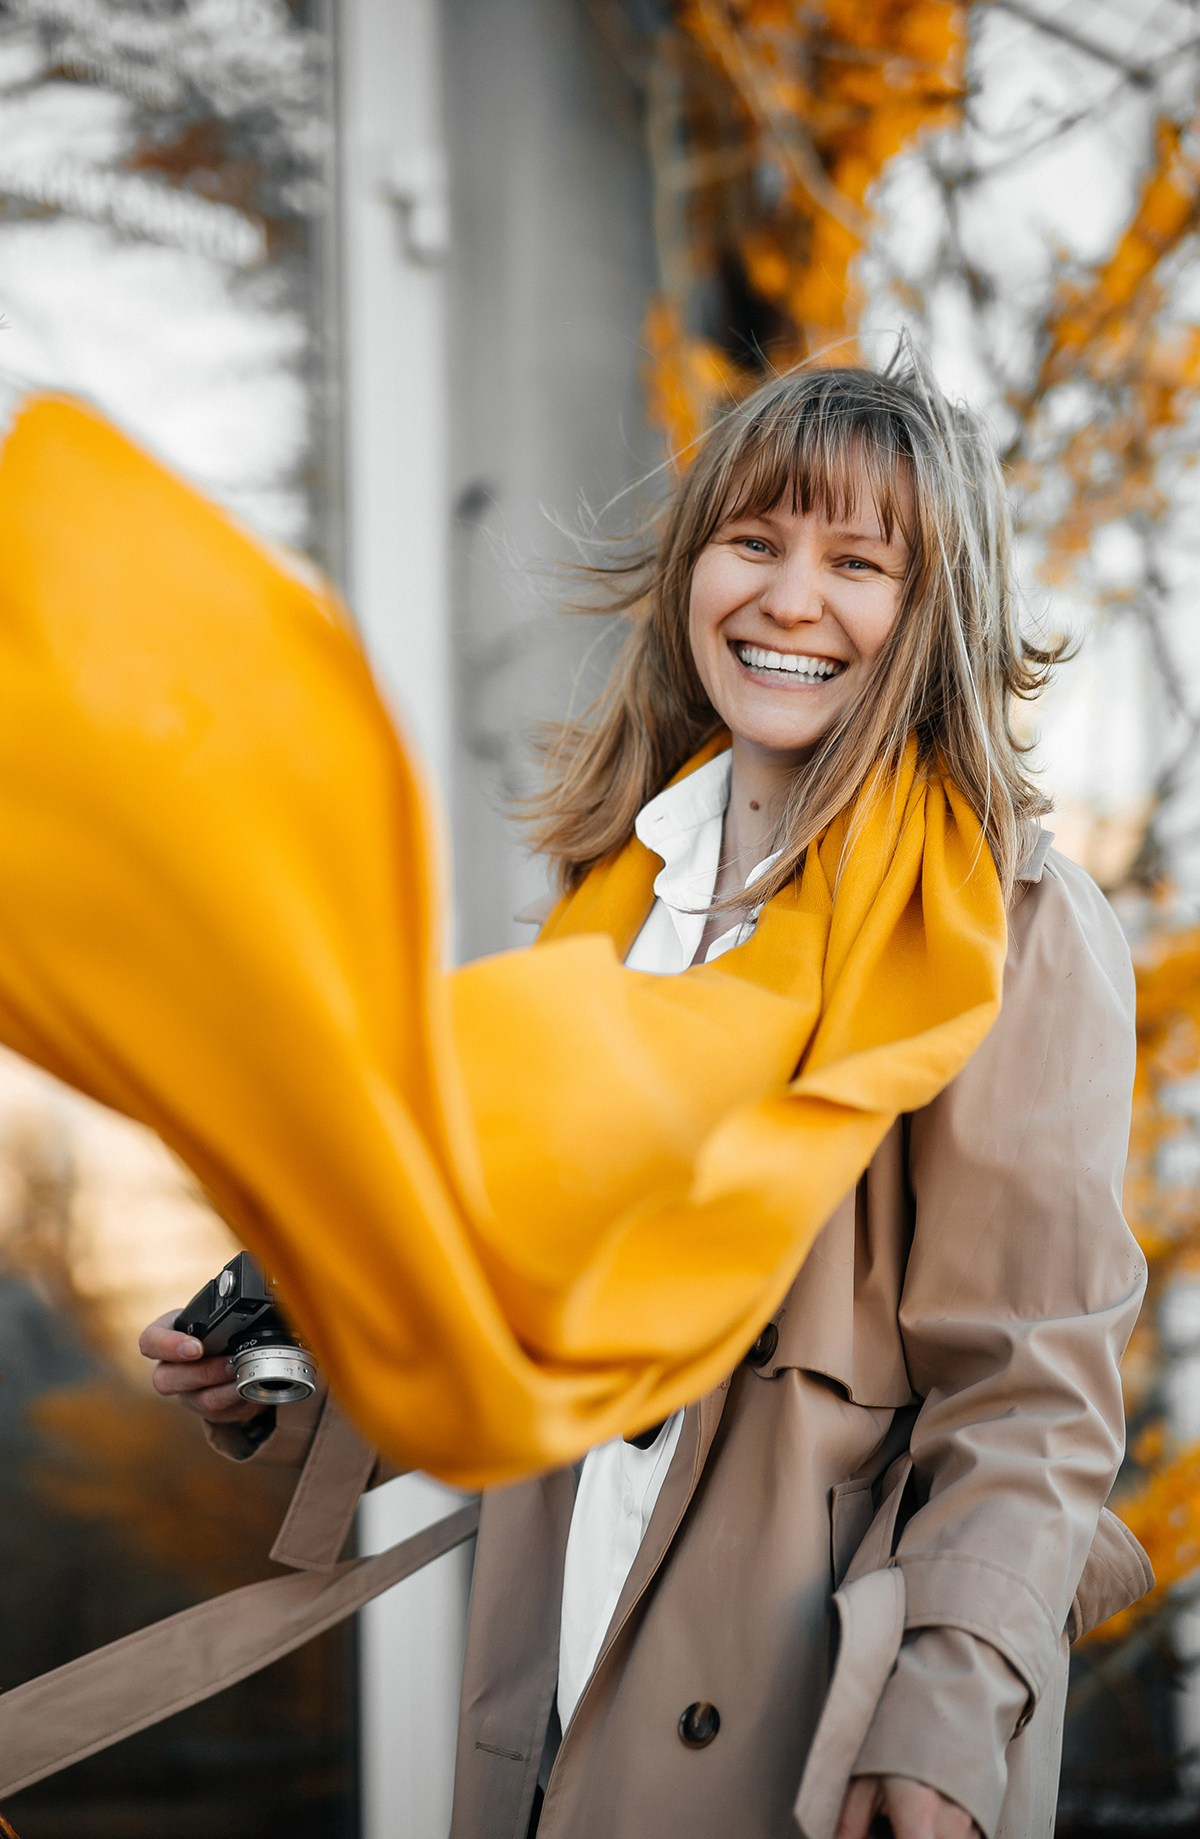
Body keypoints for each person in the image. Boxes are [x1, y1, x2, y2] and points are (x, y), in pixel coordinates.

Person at [141, 360, 1151, 1839]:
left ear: (933, 617)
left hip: (806, 1723)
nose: (792, 600)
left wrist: (944, 1722)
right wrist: (293, 1371)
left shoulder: (1010, 929)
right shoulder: (621, 901)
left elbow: (1030, 1388)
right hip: (552, 1686)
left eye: (859, 563)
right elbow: (537, 1318)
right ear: (691, 573)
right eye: (754, 542)